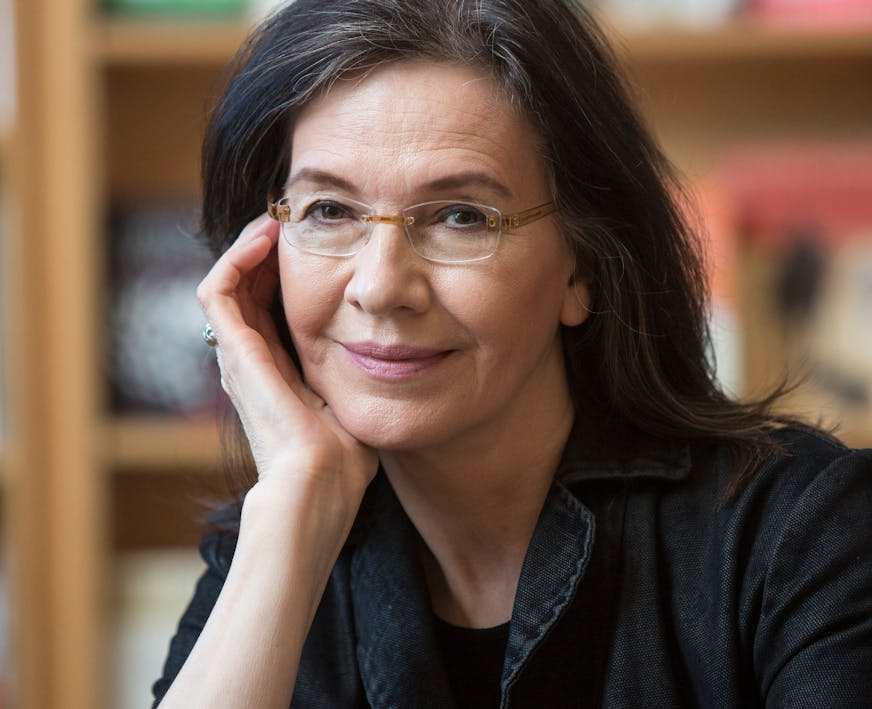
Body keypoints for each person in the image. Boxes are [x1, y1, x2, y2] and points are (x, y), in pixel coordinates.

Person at [152, 0, 872, 707]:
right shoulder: (275, 547)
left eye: (462, 217)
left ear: (581, 268)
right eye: (329, 211)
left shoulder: (802, 535)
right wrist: (290, 513)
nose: (380, 286)